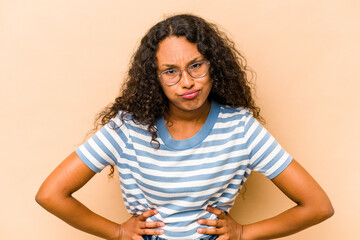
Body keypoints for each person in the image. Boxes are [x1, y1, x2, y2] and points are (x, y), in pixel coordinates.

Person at [36, 14, 334, 240]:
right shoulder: (127, 128)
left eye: (196, 65)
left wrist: (243, 233)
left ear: (213, 65)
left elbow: (318, 206)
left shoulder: (241, 128)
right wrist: (117, 232)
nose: (187, 82)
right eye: (170, 72)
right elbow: (51, 194)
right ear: (155, 78)